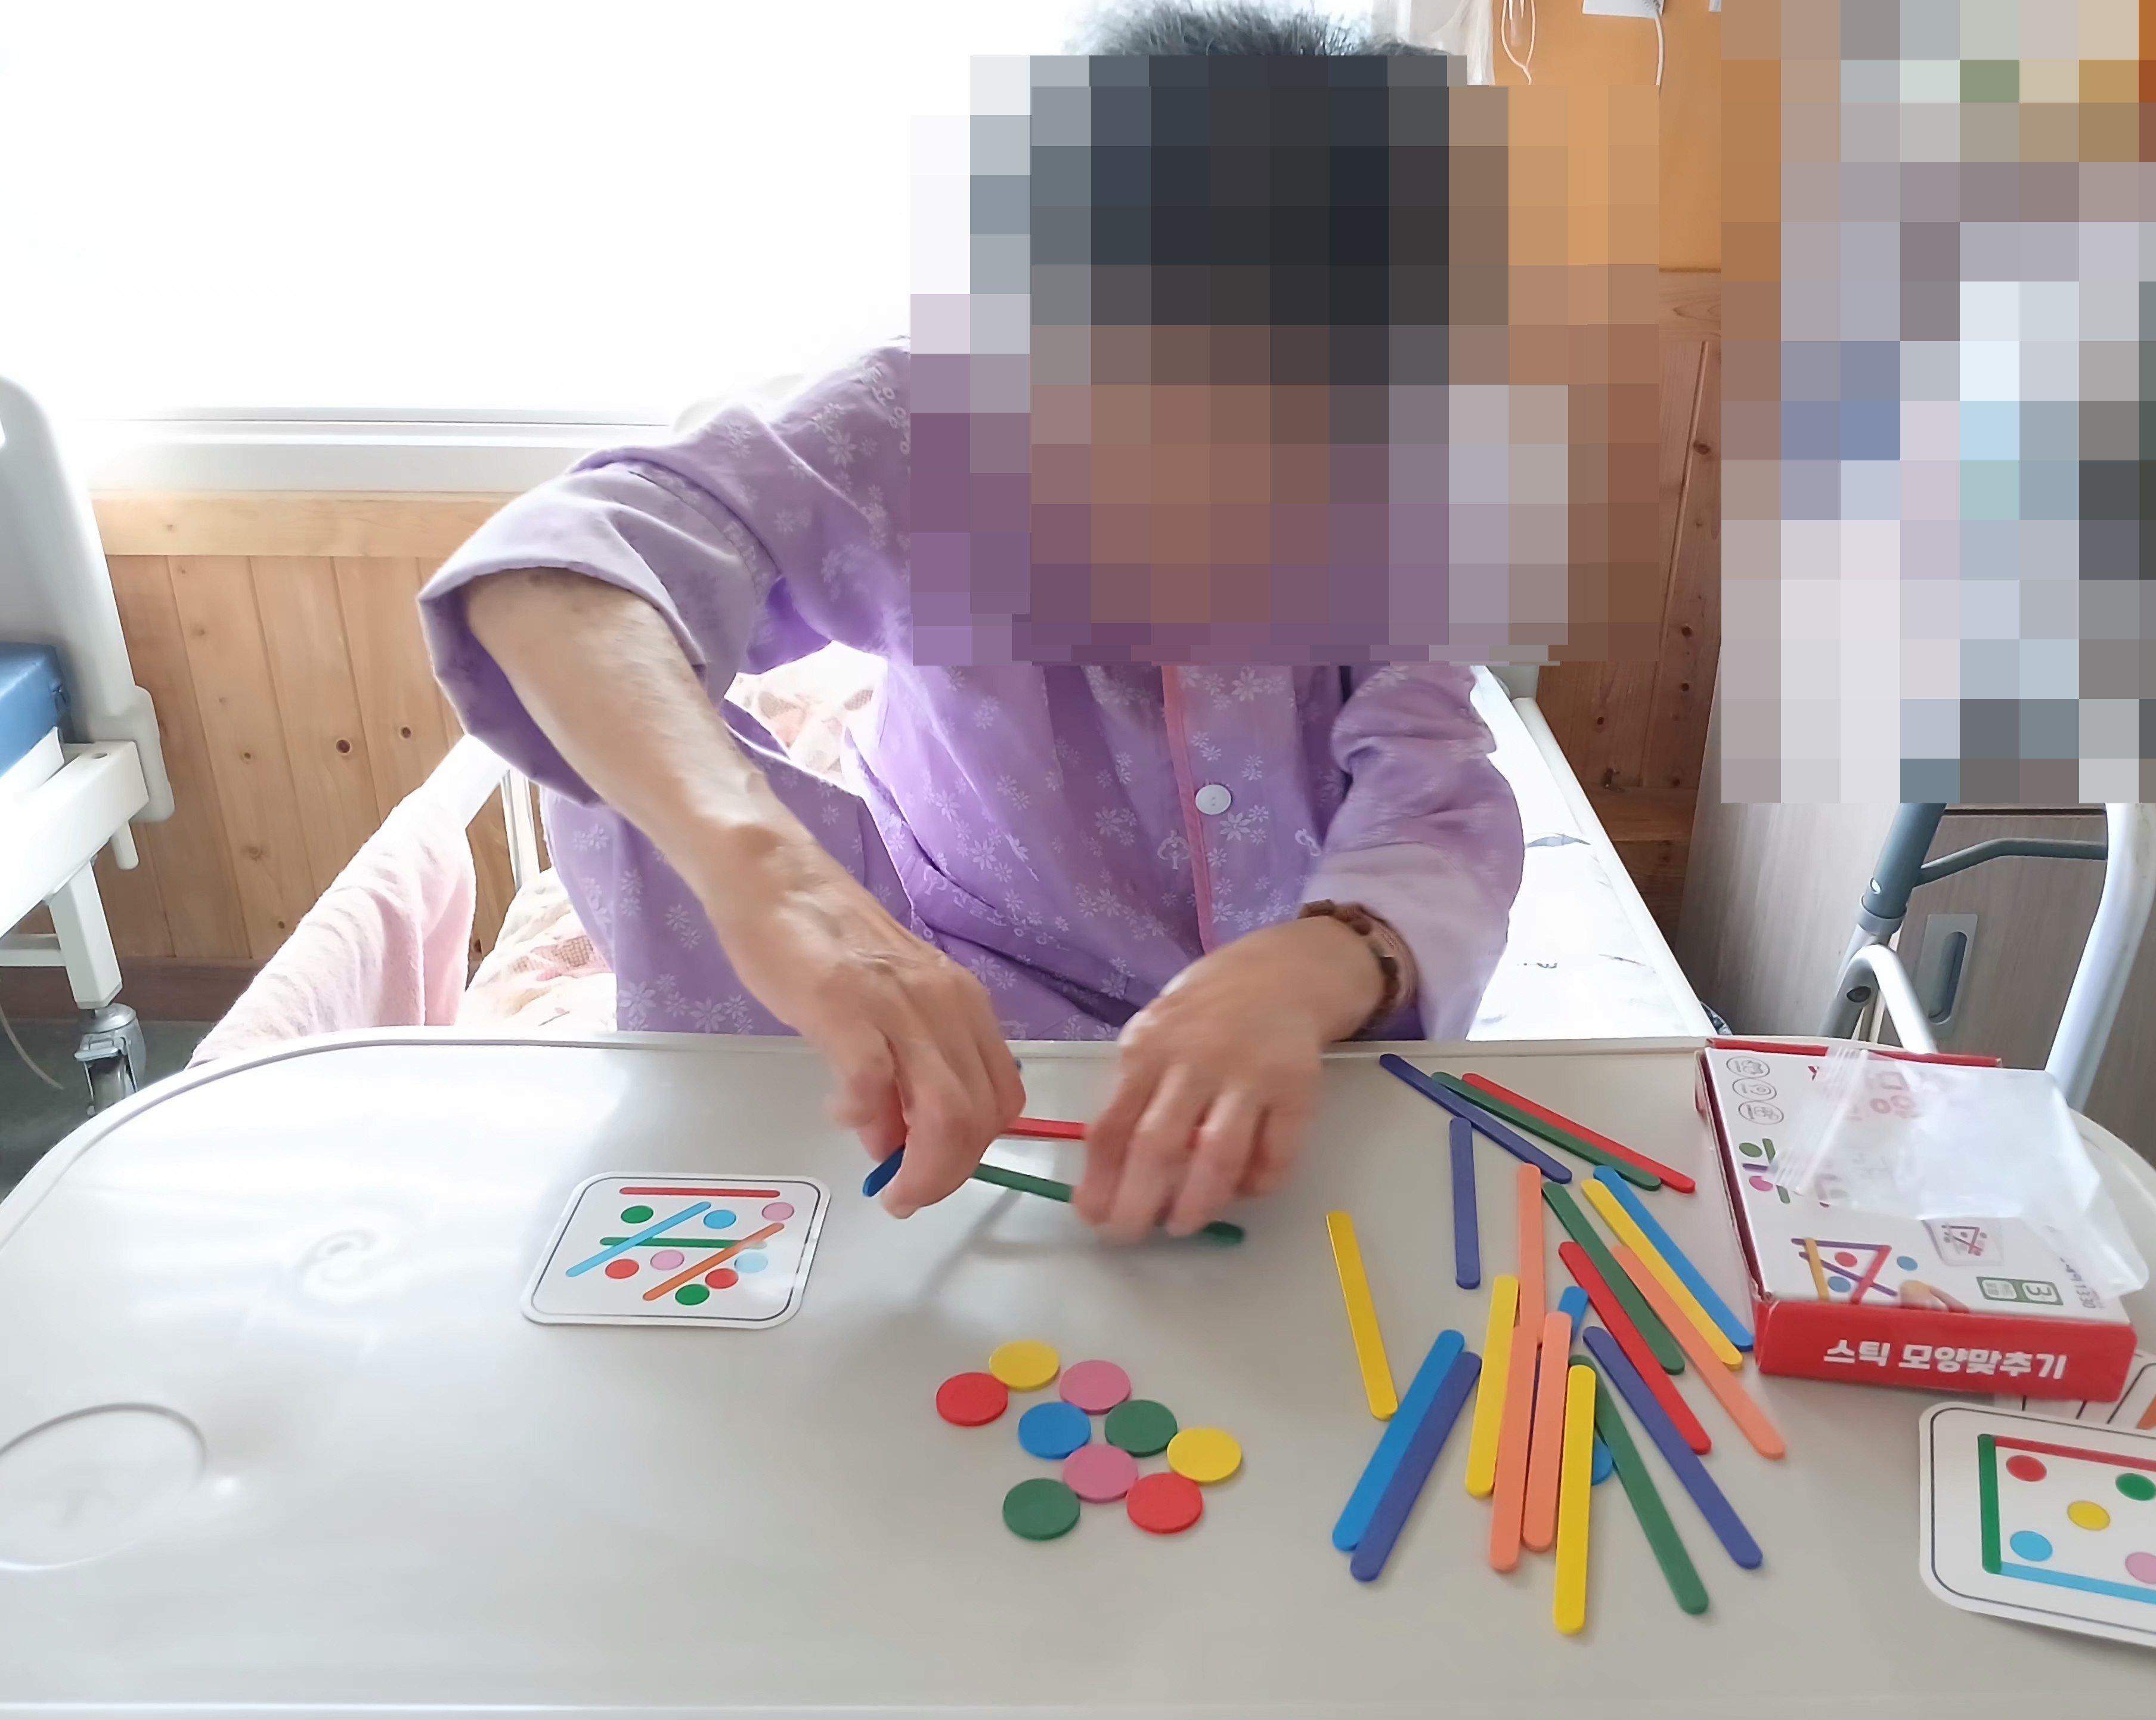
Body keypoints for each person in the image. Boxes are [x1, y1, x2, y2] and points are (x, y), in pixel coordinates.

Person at [418, 0, 1524, 1242]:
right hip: (966, 987)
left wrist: (1332, 956)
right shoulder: (926, 417)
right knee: (631, 771)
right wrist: (769, 874)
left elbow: (1433, 783)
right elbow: (561, 569)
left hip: (1293, 1020)